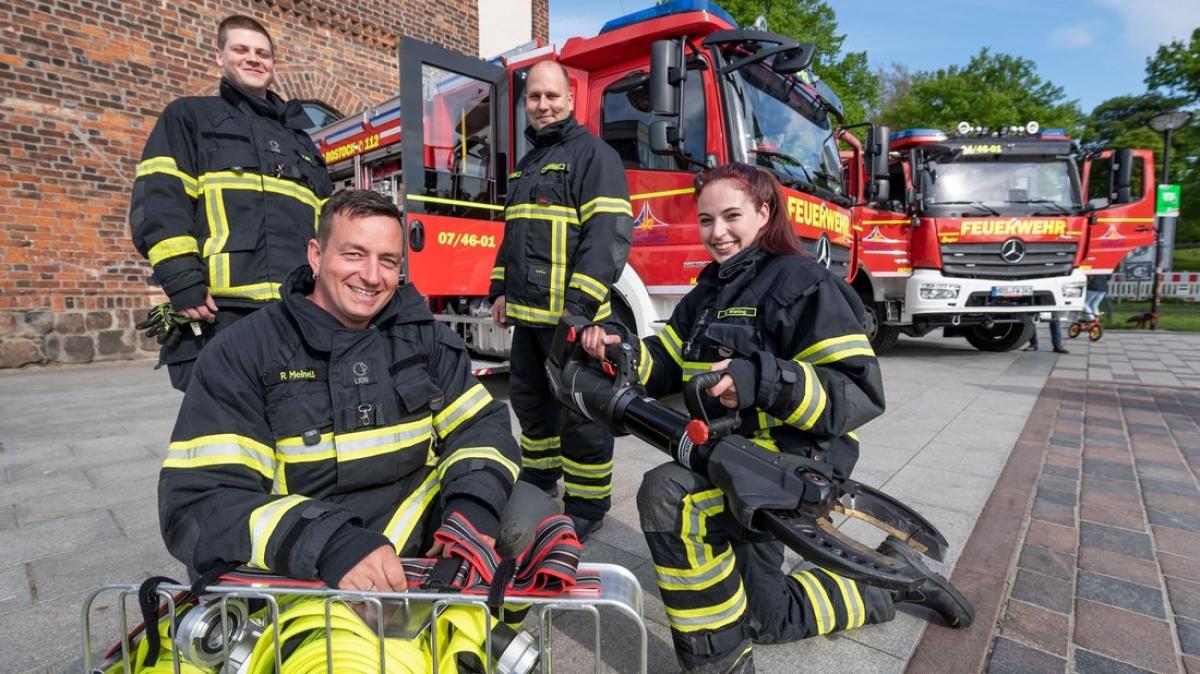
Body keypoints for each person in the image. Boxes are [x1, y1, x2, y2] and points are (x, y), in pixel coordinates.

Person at [582, 164, 973, 674]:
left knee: (668, 494)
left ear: (764, 213)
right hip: (729, 461)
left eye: (731, 216)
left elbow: (857, 392)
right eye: (706, 220)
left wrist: (762, 380)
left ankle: (717, 662)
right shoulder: (706, 295)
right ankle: (893, 579)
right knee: (767, 620)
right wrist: (623, 351)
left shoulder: (803, 283)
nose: (717, 232)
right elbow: (670, 362)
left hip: (788, 468)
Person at [158, 190, 552, 596]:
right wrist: (328, 543)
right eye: (353, 254)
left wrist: (473, 506)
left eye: (387, 261)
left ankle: (477, 646)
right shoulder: (245, 350)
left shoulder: (424, 339)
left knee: (533, 517)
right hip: (301, 568)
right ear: (316, 255)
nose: (371, 276)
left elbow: (481, 426)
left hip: (420, 544)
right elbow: (200, 502)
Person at [130, 15, 333, 392]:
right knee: (224, 426)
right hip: (220, 312)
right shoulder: (190, 116)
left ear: (273, 63)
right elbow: (160, 200)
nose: (254, 59)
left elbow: (328, 224)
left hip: (295, 310)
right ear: (220, 55)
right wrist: (181, 279)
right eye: (241, 49)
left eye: (263, 53)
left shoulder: (301, 142)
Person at [487, 60, 634, 541]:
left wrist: (579, 310)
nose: (543, 105)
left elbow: (606, 238)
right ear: (525, 103)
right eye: (534, 98)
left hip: (573, 321)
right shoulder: (526, 165)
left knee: (581, 412)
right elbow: (513, 236)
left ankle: (589, 504)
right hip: (530, 321)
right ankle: (542, 478)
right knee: (531, 404)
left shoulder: (595, 156)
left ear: (570, 99)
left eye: (552, 96)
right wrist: (500, 289)